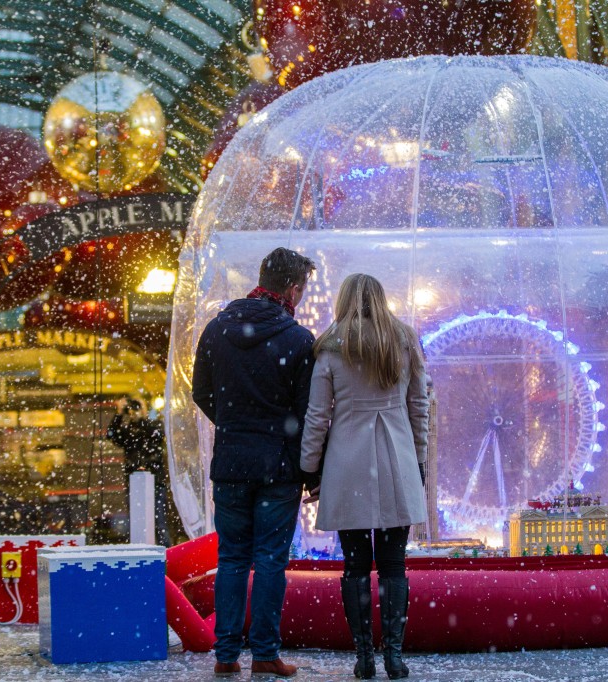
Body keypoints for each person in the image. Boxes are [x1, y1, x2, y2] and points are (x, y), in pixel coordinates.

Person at [192, 247, 319, 678]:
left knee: (231, 559)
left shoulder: (216, 329)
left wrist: (233, 424)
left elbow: (201, 393)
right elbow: (306, 415)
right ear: (293, 288)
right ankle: (264, 652)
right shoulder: (299, 340)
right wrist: (308, 471)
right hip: (278, 468)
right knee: (269, 561)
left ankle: (225, 655)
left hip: (230, 463)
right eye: (302, 288)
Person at [299, 273, 429, 680]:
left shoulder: (331, 349)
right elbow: (418, 406)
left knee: (355, 565)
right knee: (393, 564)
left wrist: (309, 466)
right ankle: (394, 655)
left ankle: (363, 657)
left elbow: (318, 417)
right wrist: (418, 460)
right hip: (397, 458)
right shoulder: (403, 342)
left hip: (347, 461)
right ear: (381, 299)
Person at [106, 397, 173, 546]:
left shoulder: (154, 425)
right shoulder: (128, 431)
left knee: (159, 523)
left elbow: (157, 434)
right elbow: (111, 435)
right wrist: (119, 414)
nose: (134, 411)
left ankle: (166, 556)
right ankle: (142, 553)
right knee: (137, 523)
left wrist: (142, 416)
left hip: (155, 481)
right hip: (135, 483)